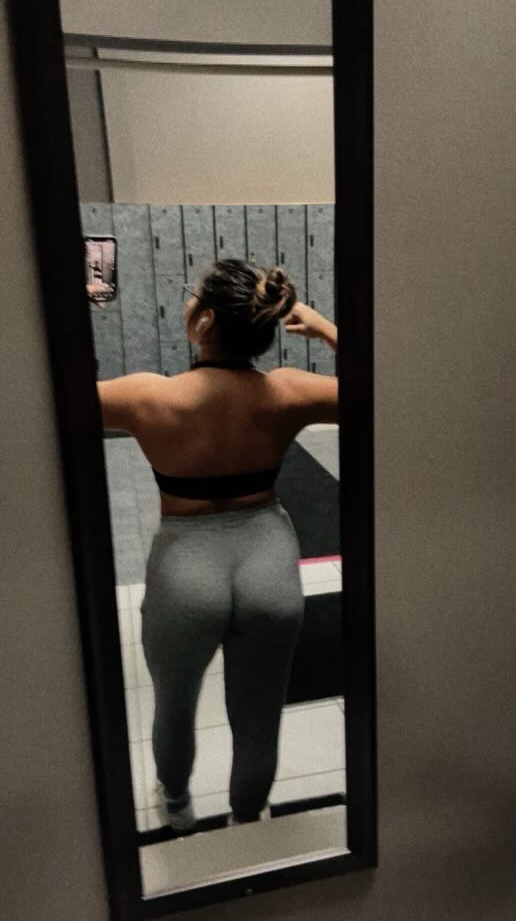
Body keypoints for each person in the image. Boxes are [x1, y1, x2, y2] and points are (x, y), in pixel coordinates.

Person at [96, 259, 338, 831]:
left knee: (174, 705)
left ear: (204, 321)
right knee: (259, 718)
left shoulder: (147, 395)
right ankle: (247, 822)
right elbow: (386, 385)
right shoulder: (288, 390)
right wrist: (327, 329)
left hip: (185, 568)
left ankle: (178, 808)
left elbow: (43, 393)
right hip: (267, 560)